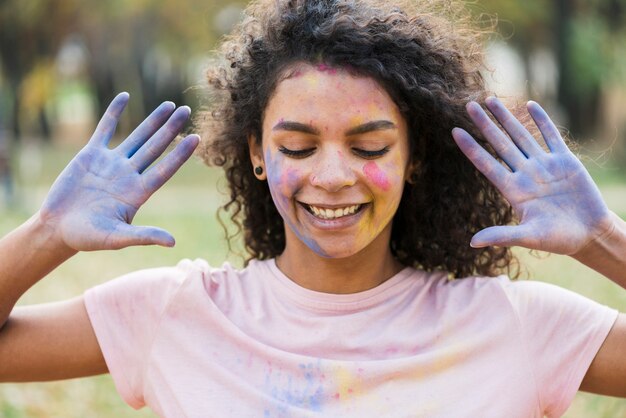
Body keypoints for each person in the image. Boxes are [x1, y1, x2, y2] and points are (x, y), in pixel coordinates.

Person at [1, 0, 625, 417]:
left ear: (414, 157)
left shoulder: (515, 325)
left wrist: (602, 238)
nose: (332, 176)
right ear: (257, 153)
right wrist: (48, 234)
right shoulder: (175, 312)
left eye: (370, 145)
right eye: (299, 146)